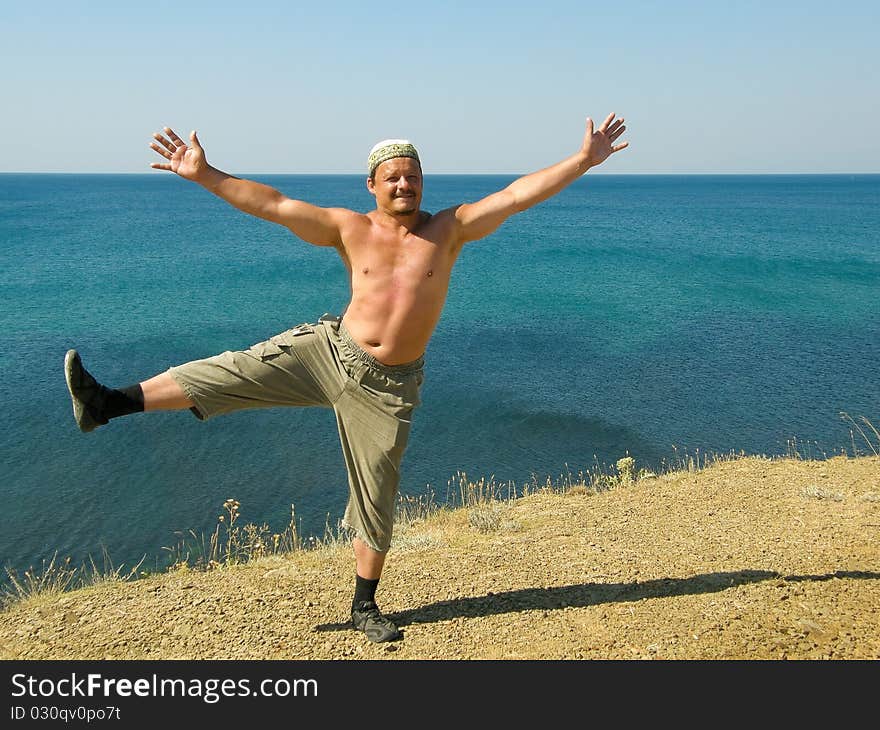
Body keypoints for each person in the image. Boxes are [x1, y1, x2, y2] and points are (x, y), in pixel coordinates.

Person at [64, 114, 628, 643]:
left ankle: (364, 605)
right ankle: (107, 403)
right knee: (230, 372)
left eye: (413, 176)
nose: (405, 185)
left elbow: (513, 196)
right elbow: (275, 204)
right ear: (372, 185)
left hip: (390, 384)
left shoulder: (448, 229)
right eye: (393, 178)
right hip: (331, 351)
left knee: (376, 493)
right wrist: (205, 173)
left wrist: (583, 159)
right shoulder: (348, 229)